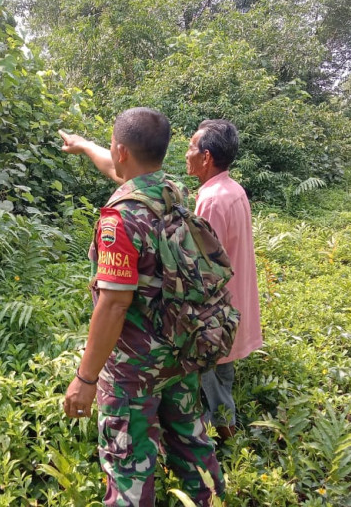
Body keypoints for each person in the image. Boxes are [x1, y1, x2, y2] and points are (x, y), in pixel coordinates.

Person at [59, 108, 224, 507]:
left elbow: (114, 304)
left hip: (134, 368)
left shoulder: (120, 220)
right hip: (180, 348)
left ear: (122, 150)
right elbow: (119, 172)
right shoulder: (169, 190)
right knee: (191, 443)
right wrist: (82, 146)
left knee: (128, 462)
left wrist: (85, 378)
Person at [185, 119, 262, 440]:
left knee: (212, 384)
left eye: (191, 147)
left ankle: (229, 445)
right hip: (234, 306)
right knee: (222, 375)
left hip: (216, 314)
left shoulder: (212, 200)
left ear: (206, 157)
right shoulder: (233, 189)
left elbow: (205, 266)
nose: (186, 153)